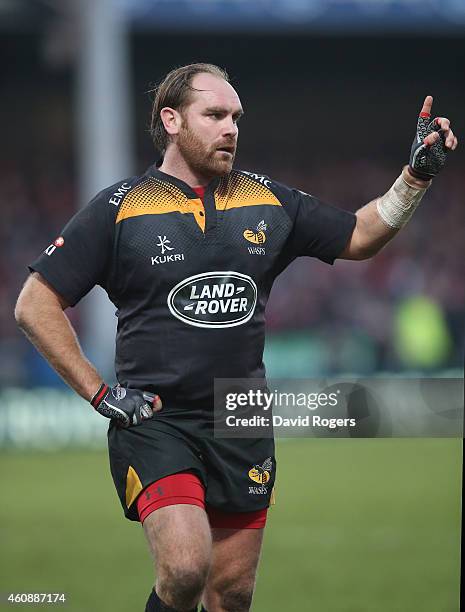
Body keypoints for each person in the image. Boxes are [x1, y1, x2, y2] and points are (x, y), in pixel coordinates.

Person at [15, 63, 457, 612]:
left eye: (236, 117)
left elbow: (361, 236)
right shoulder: (119, 207)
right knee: (184, 570)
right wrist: (101, 394)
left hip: (241, 415)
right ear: (171, 120)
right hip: (157, 418)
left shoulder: (268, 199)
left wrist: (414, 179)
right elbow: (35, 302)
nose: (231, 128)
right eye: (216, 115)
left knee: (232, 594)